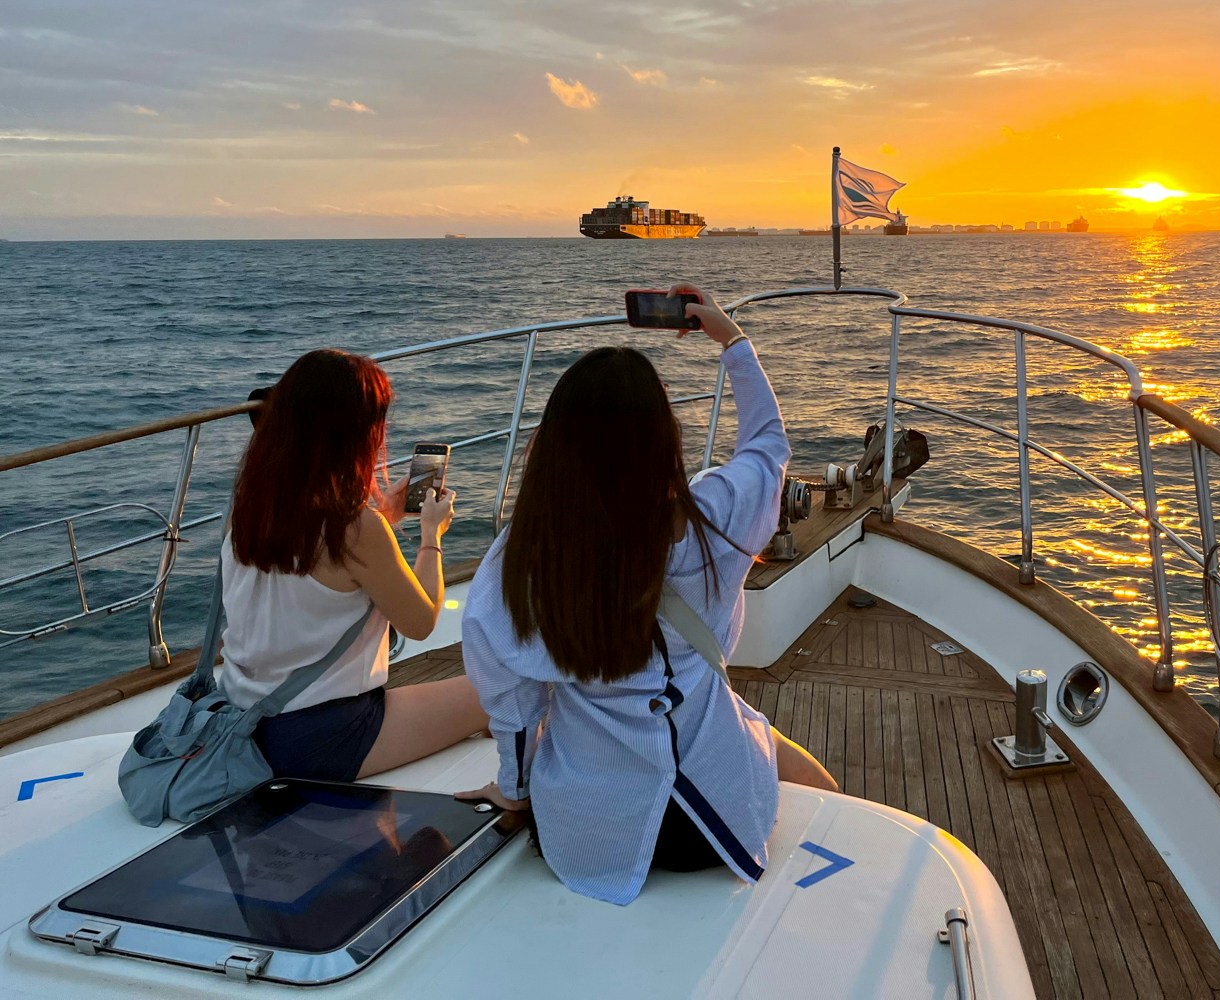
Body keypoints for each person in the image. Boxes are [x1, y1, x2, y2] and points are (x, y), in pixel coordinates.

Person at [457, 283, 838, 906]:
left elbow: (516, 707)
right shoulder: (714, 519)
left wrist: (515, 791)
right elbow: (769, 448)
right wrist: (733, 342)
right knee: (790, 756)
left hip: (589, 833)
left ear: (552, 449)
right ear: (665, 441)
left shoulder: (521, 560)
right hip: (710, 829)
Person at [219, 348, 488, 782]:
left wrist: (386, 515)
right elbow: (421, 621)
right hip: (323, 737)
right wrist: (430, 538)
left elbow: (317, 566)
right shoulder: (355, 528)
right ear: (358, 433)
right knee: (503, 695)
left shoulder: (249, 505)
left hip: (243, 725)